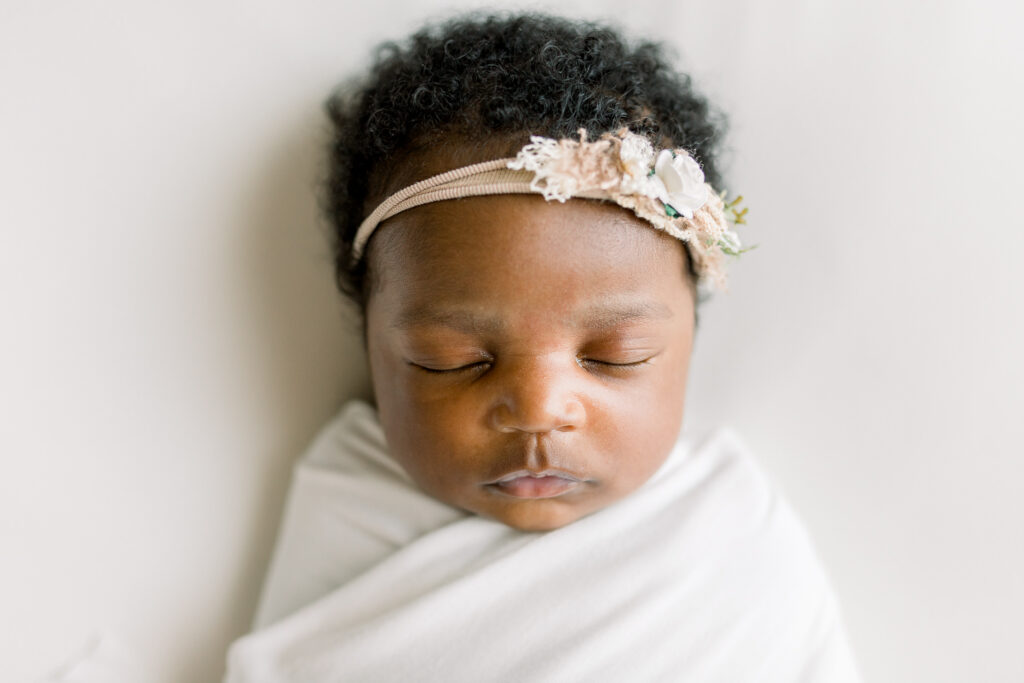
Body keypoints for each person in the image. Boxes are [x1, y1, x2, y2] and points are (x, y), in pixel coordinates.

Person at [224, 12, 861, 682]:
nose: (538, 407)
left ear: (690, 338)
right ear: (370, 340)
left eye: (617, 354)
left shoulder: (731, 537)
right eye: (452, 357)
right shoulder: (349, 501)